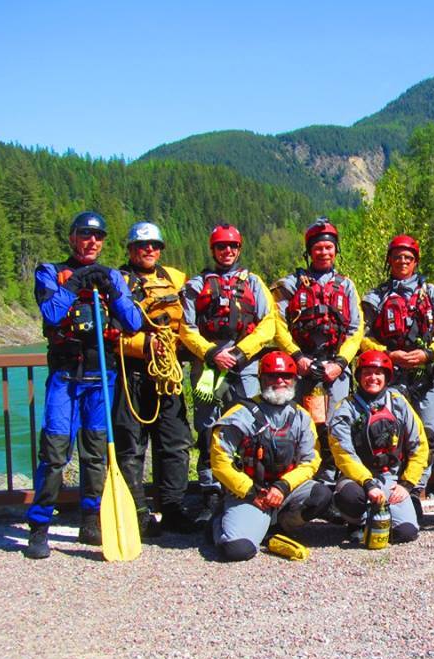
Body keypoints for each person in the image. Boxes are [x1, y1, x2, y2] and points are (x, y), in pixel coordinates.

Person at [25, 211, 143, 559]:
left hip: (101, 378)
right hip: (65, 377)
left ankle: (91, 520)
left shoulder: (111, 277)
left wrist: (111, 289)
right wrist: (76, 283)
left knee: (95, 454)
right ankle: (39, 527)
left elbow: (133, 322)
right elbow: (50, 313)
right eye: (85, 235)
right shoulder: (49, 272)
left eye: (99, 237)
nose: (92, 241)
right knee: (55, 452)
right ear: (72, 238)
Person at [180, 224, 276, 523]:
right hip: (208, 363)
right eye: (221, 247)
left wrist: (240, 352)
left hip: (244, 364)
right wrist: (211, 353)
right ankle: (210, 491)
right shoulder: (197, 285)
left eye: (232, 247)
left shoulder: (254, 283)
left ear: (239, 249)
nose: (227, 252)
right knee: (207, 426)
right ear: (213, 250)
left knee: (249, 424)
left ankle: (247, 487)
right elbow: (186, 328)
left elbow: (268, 323)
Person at [360, 235, 434, 498]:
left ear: (416, 261)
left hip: (429, 374)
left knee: (427, 433)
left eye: (408, 257)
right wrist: (388, 354)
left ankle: (419, 486)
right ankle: (394, 483)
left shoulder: (432, 293)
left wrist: (429, 353)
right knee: (394, 432)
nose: (402, 261)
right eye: (397, 257)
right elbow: (362, 335)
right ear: (389, 260)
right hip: (393, 376)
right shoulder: (377, 296)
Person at [209, 351, 330, 561]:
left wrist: (283, 486)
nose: (280, 381)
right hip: (250, 492)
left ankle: (277, 524)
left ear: (294, 380)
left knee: (322, 496)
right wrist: (250, 491)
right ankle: (220, 521)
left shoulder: (301, 416)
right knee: (238, 551)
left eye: (286, 376)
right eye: (272, 376)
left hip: (283, 491)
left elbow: (311, 461)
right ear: (261, 379)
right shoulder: (240, 414)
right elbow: (220, 462)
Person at [114, 222, 193, 536]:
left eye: (154, 245)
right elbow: (110, 335)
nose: (149, 250)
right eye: (142, 245)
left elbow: (193, 318)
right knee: (131, 446)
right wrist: (143, 345)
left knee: (175, 443)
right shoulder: (116, 281)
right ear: (131, 249)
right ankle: (138, 513)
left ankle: (172, 508)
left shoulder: (174, 278)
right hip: (132, 373)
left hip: (167, 376)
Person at [273, 217, 363, 486]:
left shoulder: (346, 286)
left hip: (335, 367)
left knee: (336, 425)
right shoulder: (289, 284)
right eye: (319, 248)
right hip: (301, 367)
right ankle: (302, 478)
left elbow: (356, 328)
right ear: (309, 251)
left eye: (329, 247)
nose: (324, 253)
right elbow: (277, 325)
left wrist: (341, 361)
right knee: (302, 424)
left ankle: (334, 479)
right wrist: (297, 357)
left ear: (336, 251)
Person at [328, 350, 428, 544]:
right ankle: (358, 522)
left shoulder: (399, 403)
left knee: (406, 533)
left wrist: (406, 485)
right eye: (367, 373)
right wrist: (368, 483)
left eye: (378, 373)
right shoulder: (345, 408)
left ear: (386, 377)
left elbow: (420, 445)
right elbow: (343, 454)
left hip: (390, 478)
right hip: (357, 480)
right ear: (358, 377)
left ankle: (386, 515)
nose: (372, 378)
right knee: (351, 498)